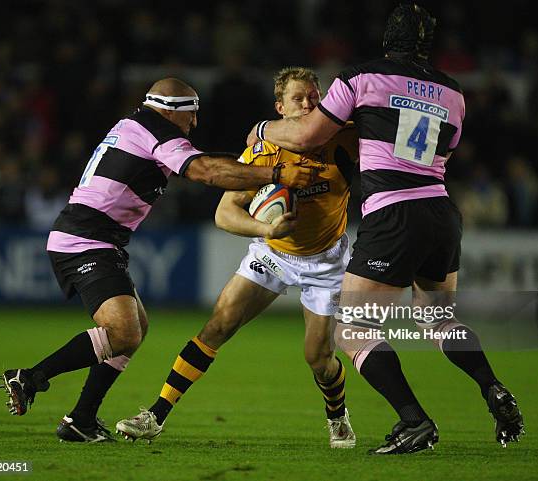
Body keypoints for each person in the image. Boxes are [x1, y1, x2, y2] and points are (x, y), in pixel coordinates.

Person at [246, 4, 524, 454]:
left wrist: (261, 128)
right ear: (426, 43)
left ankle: (414, 420)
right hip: (440, 210)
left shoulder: (361, 78)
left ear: (386, 38)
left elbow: (306, 136)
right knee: (437, 318)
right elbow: (447, 148)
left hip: (394, 214)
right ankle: (491, 387)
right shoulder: (454, 92)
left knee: (352, 329)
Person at [0, 77, 314, 443]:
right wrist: (275, 173)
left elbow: (205, 164)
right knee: (123, 332)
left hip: (97, 239)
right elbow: (206, 172)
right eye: (192, 115)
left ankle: (81, 420)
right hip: (85, 238)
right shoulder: (155, 130)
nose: (194, 124)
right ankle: (31, 377)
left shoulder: (136, 125)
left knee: (134, 332)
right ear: (173, 110)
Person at [115, 67, 359, 448]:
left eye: (315, 97)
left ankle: (337, 413)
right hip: (273, 253)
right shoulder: (264, 152)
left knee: (318, 360)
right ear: (280, 107)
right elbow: (224, 213)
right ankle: (156, 414)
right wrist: (266, 230)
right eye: (299, 99)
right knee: (217, 326)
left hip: (325, 263)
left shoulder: (345, 138)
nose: (310, 104)